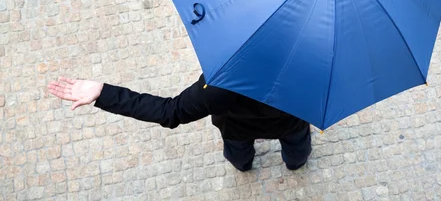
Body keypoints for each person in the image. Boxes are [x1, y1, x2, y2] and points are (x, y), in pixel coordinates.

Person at [47, 74, 312, 172]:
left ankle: (243, 167)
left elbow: (169, 112)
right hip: (292, 126)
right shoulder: (312, 72)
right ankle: (295, 164)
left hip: (236, 131)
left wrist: (104, 93)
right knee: (298, 149)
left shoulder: (218, 85)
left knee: (239, 157)